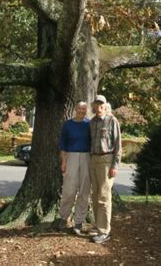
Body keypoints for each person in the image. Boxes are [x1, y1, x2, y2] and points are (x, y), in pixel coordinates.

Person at [89, 94, 121, 244]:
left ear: (105, 106)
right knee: (95, 195)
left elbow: (118, 145)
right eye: (96, 105)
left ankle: (104, 231)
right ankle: (97, 225)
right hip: (93, 160)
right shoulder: (92, 122)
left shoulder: (112, 120)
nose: (98, 108)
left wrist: (115, 165)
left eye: (101, 105)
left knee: (103, 196)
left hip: (106, 161)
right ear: (94, 106)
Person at [58, 100, 91, 235]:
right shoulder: (68, 125)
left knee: (84, 190)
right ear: (75, 109)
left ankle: (79, 221)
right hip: (70, 156)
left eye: (84, 109)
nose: (81, 111)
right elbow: (63, 144)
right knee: (69, 190)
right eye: (79, 108)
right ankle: (64, 217)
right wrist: (63, 161)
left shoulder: (89, 124)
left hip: (86, 157)